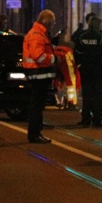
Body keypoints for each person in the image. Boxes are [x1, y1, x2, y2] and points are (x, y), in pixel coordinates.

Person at [22, 10, 58, 144]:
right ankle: (35, 133)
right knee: (36, 106)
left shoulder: (40, 33)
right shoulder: (37, 35)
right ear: (46, 21)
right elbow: (38, 56)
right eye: (52, 22)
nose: (53, 25)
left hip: (39, 75)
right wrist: (54, 59)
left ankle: (36, 132)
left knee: (37, 105)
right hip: (38, 75)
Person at [73, 15, 102, 127]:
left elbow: (77, 52)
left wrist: (79, 64)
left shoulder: (82, 36)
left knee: (87, 94)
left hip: (85, 69)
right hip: (98, 69)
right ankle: (97, 119)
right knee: (98, 95)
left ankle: (86, 118)